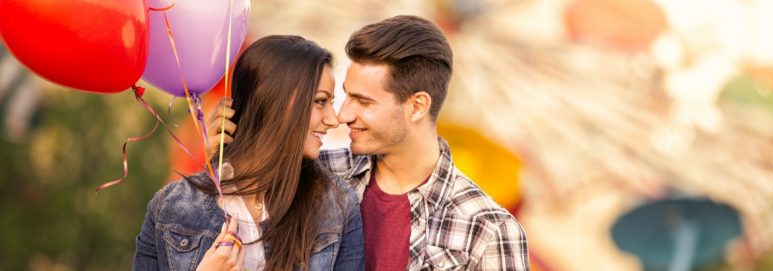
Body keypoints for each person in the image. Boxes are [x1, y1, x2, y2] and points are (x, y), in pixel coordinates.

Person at [210, 16, 529, 270]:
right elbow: (224, 225)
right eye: (345, 95)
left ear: (416, 106)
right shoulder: (314, 172)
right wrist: (225, 157)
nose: (343, 115)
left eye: (363, 101)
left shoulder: (488, 230)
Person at [134, 35, 364, 271]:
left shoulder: (336, 202)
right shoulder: (171, 207)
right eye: (320, 101)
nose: (333, 120)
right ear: (273, 101)